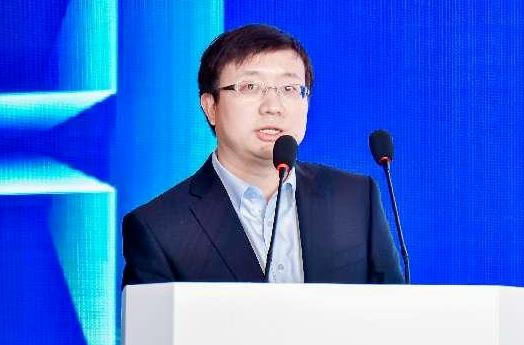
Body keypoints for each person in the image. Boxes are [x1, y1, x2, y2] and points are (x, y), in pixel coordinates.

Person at [121, 24, 403, 286]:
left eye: (289, 89)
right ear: (210, 107)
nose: (272, 106)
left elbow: (395, 313)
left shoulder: (355, 199)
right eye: (250, 87)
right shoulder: (160, 228)